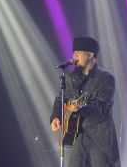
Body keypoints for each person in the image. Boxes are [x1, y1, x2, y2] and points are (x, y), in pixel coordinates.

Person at [50, 37, 120, 167]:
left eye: (78, 52)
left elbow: (101, 107)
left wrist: (81, 108)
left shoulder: (105, 78)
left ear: (90, 54)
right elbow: (61, 98)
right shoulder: (73, 77)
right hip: (79, 133)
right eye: (73, 52)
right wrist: (56, 116)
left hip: (99, 135)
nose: (74, 56)